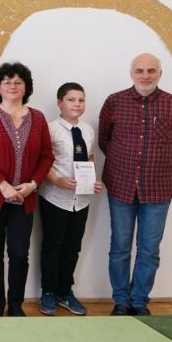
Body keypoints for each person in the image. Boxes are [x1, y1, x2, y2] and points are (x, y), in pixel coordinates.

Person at [98, 53, 172, 316]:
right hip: (121, 185)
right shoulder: (114, 102)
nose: (145, 76)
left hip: (158, 189)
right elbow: (105, 140)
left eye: (151, 70)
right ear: (131, 73)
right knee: (120, 247)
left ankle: (139, 302)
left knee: (149, 250)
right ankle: (121, 301)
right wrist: (124, 162)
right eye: (140, 70)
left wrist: (156, 164)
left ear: (160, 73)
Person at [0, 62, 54, 317]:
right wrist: (3, 185)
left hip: (25, 198)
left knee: (19, 253)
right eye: (7, 82)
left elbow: (47, 156)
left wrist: (33, 185)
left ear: (26, 87)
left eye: (18, 82)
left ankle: (16, 304)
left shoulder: (38, 119)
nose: (12, 86)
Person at [38, 82, 103, 316]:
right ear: (59, 103)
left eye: (81, 100)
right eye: (71, 99)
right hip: (55, 198)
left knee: (73, 247)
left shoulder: (87, 130)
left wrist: (93, 180)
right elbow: (41, 161)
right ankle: (48, 292)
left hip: (81, 200)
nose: (77, 104)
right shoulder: (49, 129)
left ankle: (65, 292)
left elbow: (90, 156)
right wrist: (56, 180)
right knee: (52, 246)